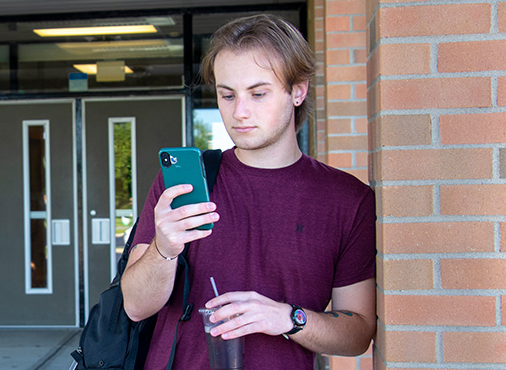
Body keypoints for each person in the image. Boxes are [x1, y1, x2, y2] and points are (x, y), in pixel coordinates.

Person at [121, 14, 376, 370]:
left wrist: (288, 318)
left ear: (298, 90)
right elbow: (134, 306)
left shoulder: (348, 200)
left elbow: (359, 334)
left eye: (258, 93)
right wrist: (164, 248)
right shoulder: (184, 185)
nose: (239, 112)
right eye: (227, 95)